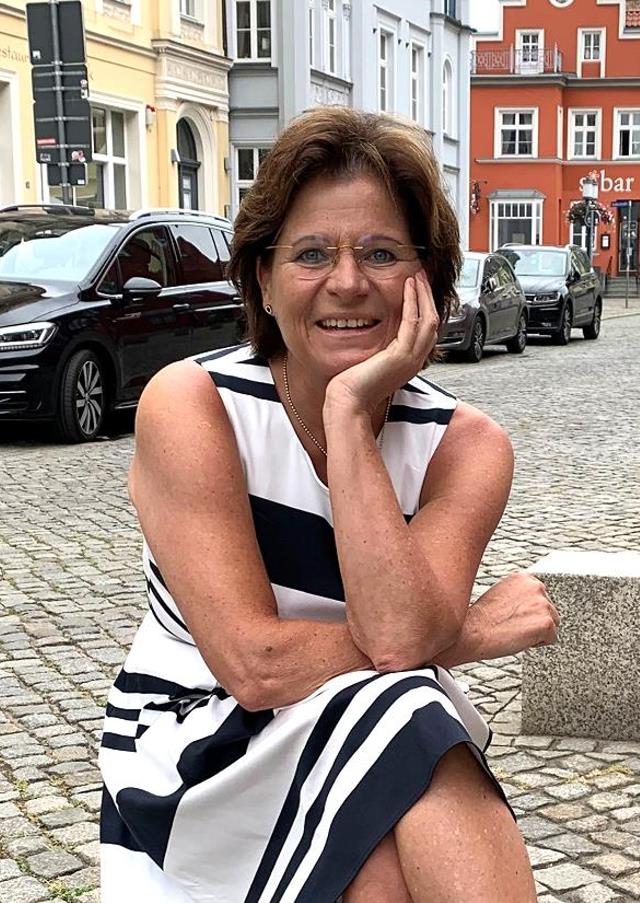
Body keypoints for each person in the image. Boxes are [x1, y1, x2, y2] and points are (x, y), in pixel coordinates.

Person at [99, 106, 559, 902]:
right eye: (312, 253)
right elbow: (255, 664)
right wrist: (468, 631)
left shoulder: (464, 445)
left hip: (372, 720)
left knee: (387, 817)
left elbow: (401, 636)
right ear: (263, 279)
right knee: (409, 699)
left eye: (380, 252)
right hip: (201, 741)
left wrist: (346, 414)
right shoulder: (194, 404)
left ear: (427, 277)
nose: (348, 281)